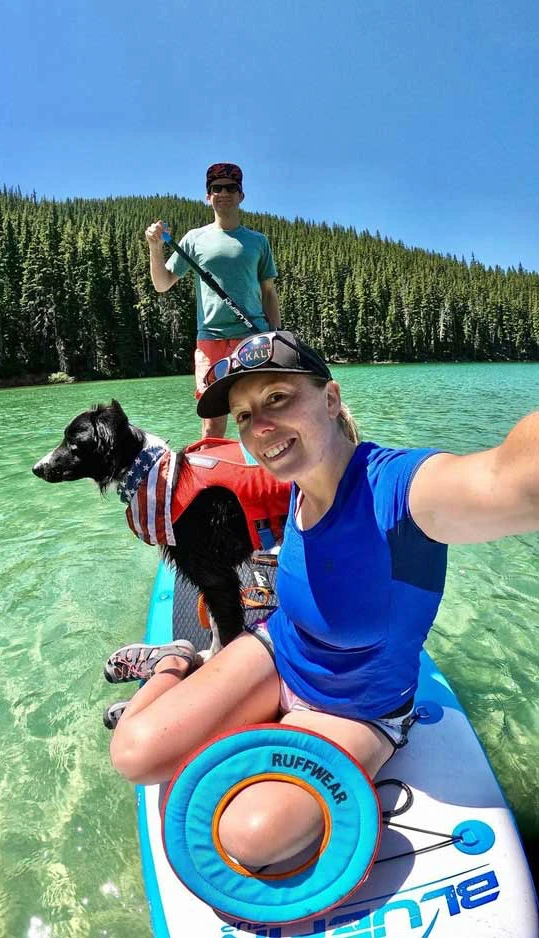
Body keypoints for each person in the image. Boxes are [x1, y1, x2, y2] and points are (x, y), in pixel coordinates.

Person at [102, 330, 539, 870]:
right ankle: (177, 659)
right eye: (243, 415)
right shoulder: (297, 483)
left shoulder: (401, 489)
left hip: (358, 708)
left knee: (249, 837)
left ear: (330, 400)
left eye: (277, 399)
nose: (259, 428)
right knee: (133, 753)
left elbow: (514, 478)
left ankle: (244, 709)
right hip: (277, 651)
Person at [145, 163, 280, 439]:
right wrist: (155, 248)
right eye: (216, 188)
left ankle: (261, 479)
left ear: (241, 195)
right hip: (210, 343)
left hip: (252, 341)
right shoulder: (194, 239)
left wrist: (275, 337)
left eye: (231, 188)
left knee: (259, 420)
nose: (223, 193)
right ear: (208, 196)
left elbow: (268, 293)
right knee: (211, 425)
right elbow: (162, 284)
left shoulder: (258, 242)